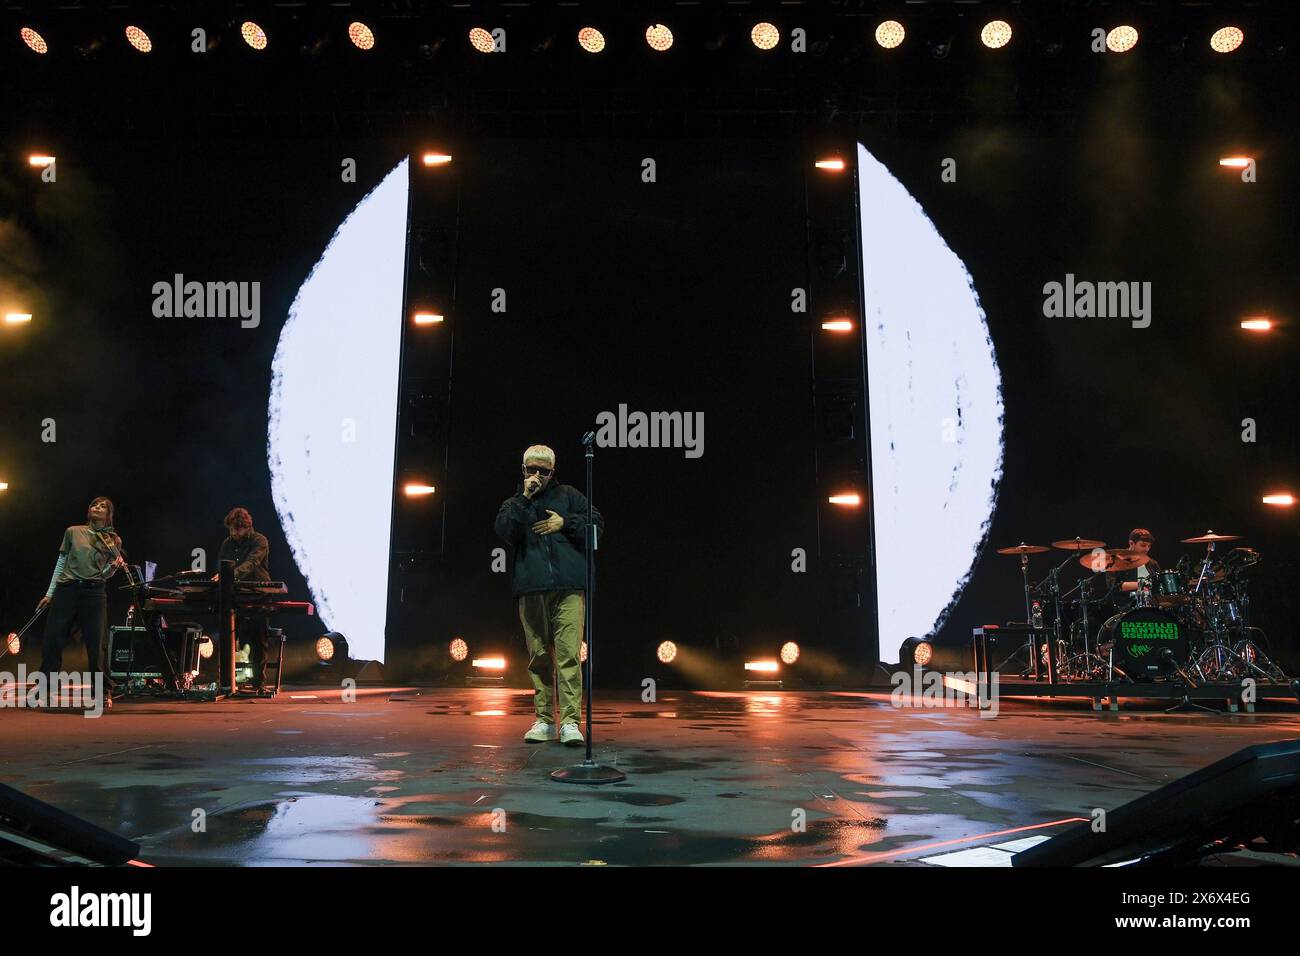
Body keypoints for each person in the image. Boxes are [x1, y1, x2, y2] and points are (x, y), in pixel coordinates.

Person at [494, 444, 604, 746]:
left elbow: (597, 529)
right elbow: (505, 530)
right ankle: (543, 720)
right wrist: (524, 498)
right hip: (532, 589)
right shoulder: (515, 503)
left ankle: (570, 722)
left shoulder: (570, 496)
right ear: (524, 470)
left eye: (544, 471)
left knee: (568, 655)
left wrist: (565, 523)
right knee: (539, 656)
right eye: (533, 470)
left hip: (569, 588)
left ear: (552, 472)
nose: (538, 475)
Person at [37, 497, 126, 697]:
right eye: (95, 504)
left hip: (94, 592)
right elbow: (61, 562)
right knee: (53, 640)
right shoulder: (73, 531)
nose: (97, 507)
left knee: (96, 644)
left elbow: (104, 574)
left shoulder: (113, 540)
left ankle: (102, 691)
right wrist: (49, 593)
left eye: (103, 506)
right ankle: (45, 689)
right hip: (67, 589)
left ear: (108, 515)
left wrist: (112, 569)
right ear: (89, 510)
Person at [217, 507, 274, 691]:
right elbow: (222, 563)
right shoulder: (227, 543)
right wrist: (220, 576)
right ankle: (229, 681)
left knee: (259, 639)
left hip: (259, 594)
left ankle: (259, 682)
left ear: (247, 527)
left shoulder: (260, 540)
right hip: (237, 594)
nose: (234, 533)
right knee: (231, 635)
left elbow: (252, 562)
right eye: (231, 530)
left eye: (237, 530)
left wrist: (231, 575)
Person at [1107, 528, 1161, 606]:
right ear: (1131, 543)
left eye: (1149, 546)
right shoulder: (1116, 562)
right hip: (1125, 608)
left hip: (1150, 606)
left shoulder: (1152, 564)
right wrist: (1141, 584)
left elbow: (1159, 586)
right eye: (1143, 545)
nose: (1147, 549)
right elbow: (1113, 586)